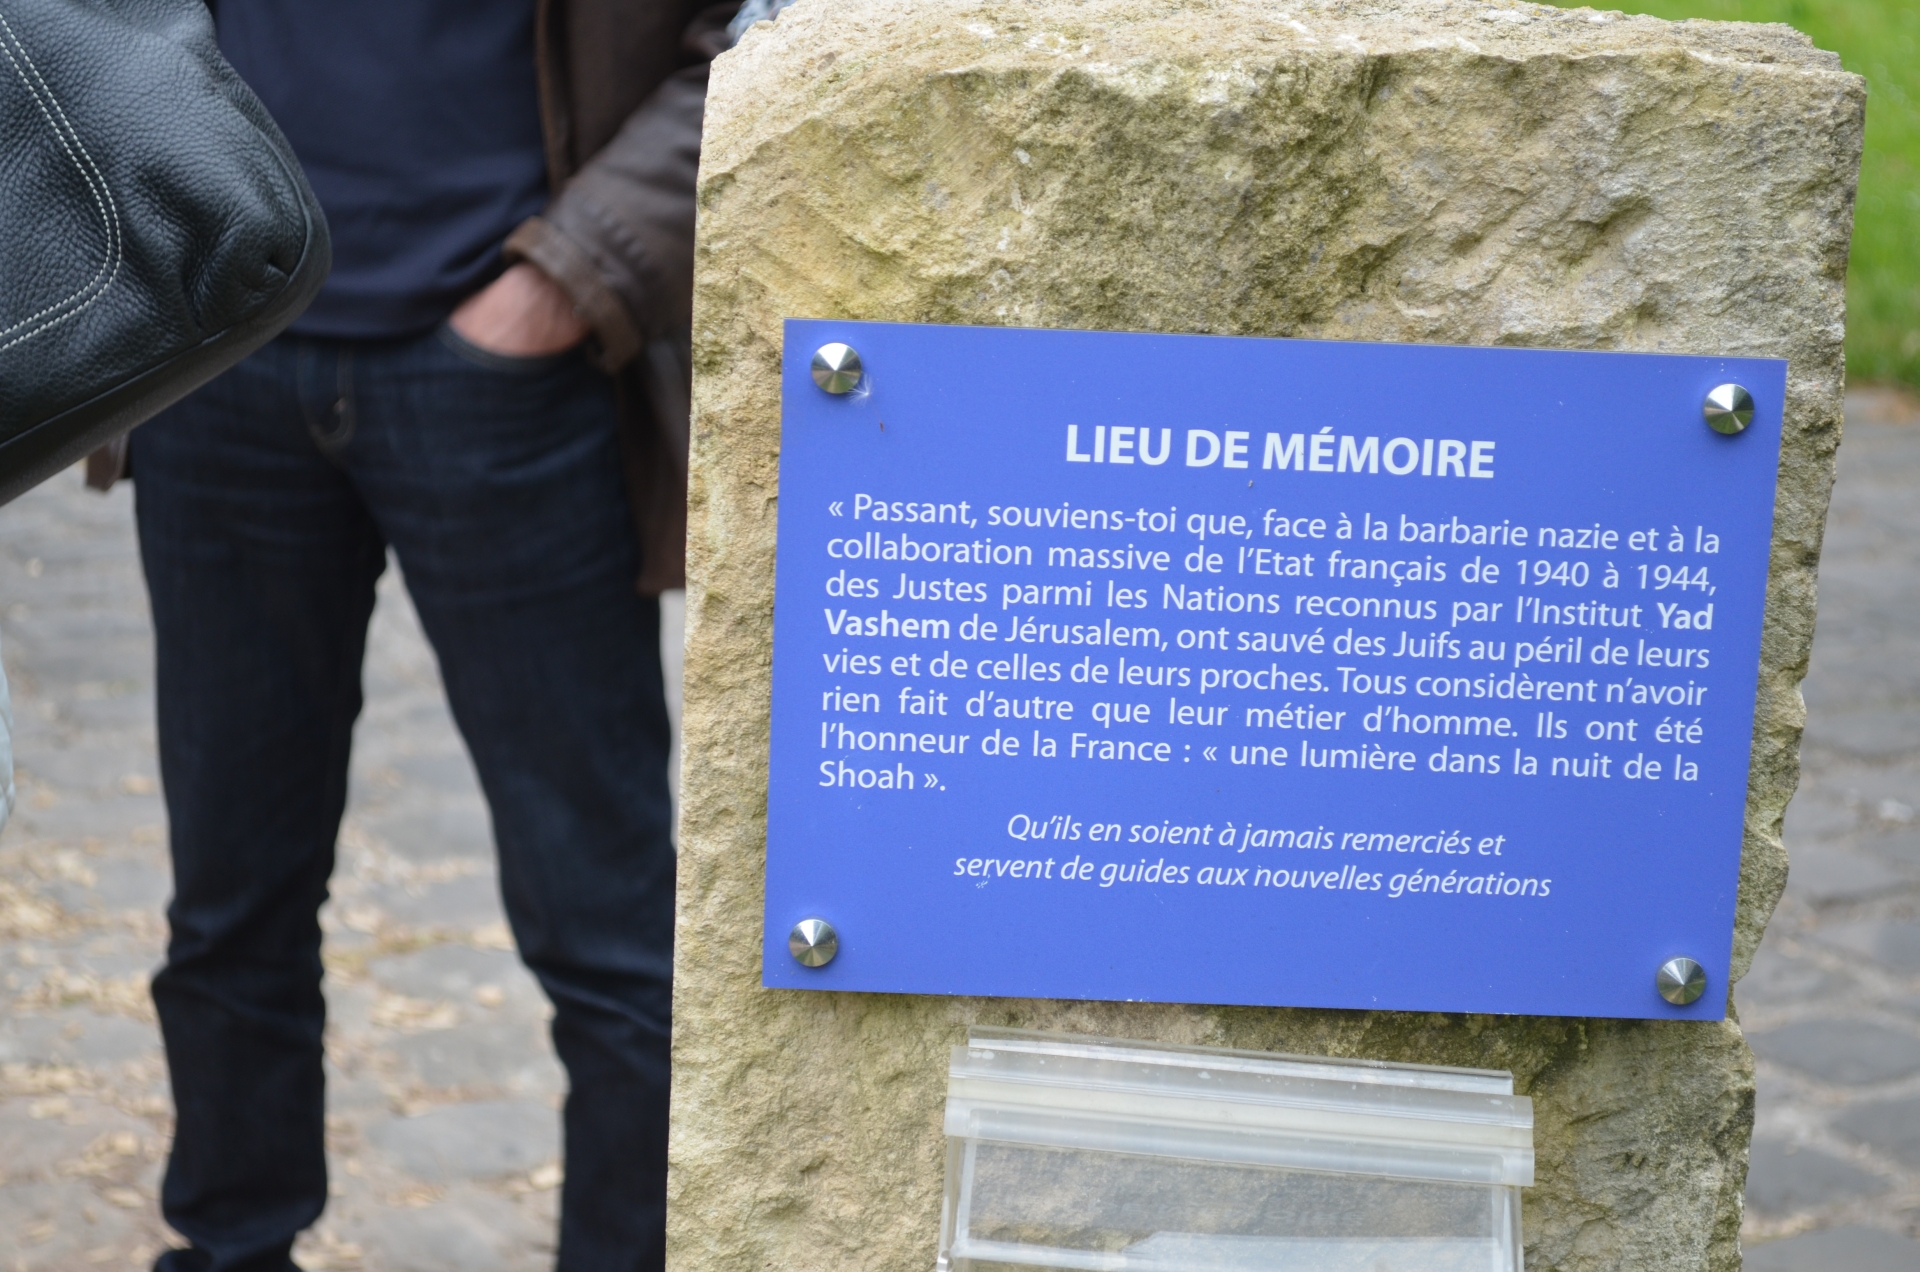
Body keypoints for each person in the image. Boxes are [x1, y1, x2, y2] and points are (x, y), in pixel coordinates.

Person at [102, 4, 738, 1269]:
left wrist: (567, 282)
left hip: (513, 379)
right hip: (217, 372)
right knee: (229, 910)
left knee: (609, 934)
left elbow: (749, 48)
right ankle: (230, 1246)